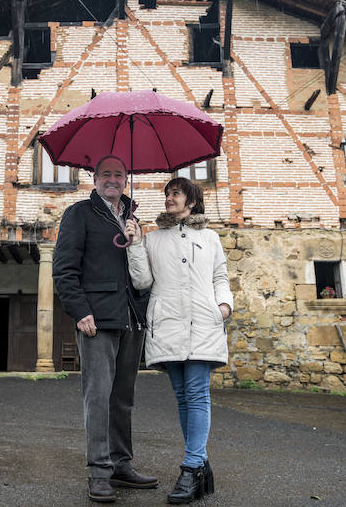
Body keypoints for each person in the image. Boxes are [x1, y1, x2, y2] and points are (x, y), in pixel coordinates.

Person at [52, 155, 157, 503]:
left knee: (123, 398)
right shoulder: (79, 214)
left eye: (119, 174)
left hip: (131, 317)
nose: (113, 179)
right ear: (94, 179)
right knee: (97, 397)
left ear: (126, 181)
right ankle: (99, 472)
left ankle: (121, 465)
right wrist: (80, 311)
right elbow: (64, 269)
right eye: (106, 174)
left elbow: (140, 274)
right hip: (96, 320)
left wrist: (135, 238)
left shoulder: (132, 219)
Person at [124, 177, 233, 504]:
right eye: (167, 193)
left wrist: (224, 306)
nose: (169, 198)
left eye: (176, 193)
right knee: (183, 396)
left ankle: (190, 467)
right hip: (168, 321)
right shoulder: (153, 239)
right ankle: (201, 464)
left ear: (192, 201)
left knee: (197, 391)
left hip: (204, 320)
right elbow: (142, 280)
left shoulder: (211, 237)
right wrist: (134, 243)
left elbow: (220, 277)